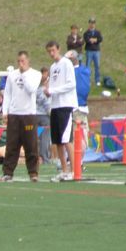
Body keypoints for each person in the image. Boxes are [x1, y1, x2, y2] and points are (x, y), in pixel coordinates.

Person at [0, 51, 41, 182]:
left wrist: (24, 74)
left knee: (31, 145)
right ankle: (8, 173)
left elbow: (31, 89)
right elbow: (8, 94)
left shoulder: (35, 74)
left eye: (23, 61)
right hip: (14, 114)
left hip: (28, 114)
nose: (20, 64)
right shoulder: (12, 75)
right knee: (12, 145)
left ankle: (33, 173)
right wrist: (5, 111)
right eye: (19, 61)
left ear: (28, 61)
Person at [44, 40, 77, 181]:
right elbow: (51, 87)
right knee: (57, 140)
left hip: (65, 105)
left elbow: (71, 84)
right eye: (49, 51)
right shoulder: (52, 67)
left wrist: (53, 90)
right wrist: (48, 92)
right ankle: (64, 170)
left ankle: (74, 171)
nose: (52, 53)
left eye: (53, 50)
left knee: (66, 139)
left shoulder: (66, 63)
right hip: (55, 106)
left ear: (58, 49)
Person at [68, 50, 90, 161]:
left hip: (75, 107)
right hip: (80, 107)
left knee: (77, 136)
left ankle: (77, 161)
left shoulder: (74, 72)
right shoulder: (85, 70)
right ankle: (77, 160)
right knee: (80, 135)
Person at [35, 68, 51, 164]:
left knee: (37, 138)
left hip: (35, 115)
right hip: (44, 115)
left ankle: (37, 158)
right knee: (45, 138)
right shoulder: (43, 90)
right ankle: (45, 159)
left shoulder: (35, 88)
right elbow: (45, 102)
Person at [83, 17, 103, 87]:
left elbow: (100, 39)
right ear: (89, 24)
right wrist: (94, 40)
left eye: (93, 23)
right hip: (89, 50)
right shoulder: (86, 32)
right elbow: (87, 40)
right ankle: (87, 80)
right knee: (88, 66)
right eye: (91, 23)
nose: (92, 25)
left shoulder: (98, 32)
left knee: (97, 66)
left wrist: (94, 40)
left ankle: (97, 80)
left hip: (96, 51)